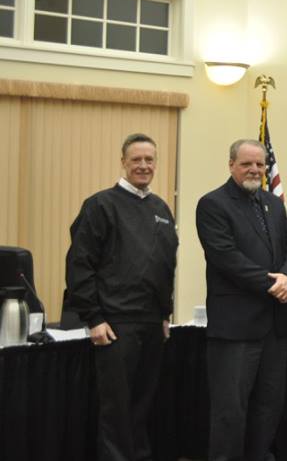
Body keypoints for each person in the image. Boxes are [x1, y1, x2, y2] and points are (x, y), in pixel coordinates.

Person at [65, 133, 178, 461]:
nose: (143, 166)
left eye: (149, 160)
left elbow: (164, 265)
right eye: (137, 160)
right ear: (123, 162)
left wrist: (164, 315)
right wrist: (94, 318)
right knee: (117, 408)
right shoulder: (100, 205)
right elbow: (80, 263)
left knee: (143, 403)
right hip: (114, 324)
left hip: (151, 323)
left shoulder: (161, 208)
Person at [196, 139, 287, 461]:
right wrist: (272, 284)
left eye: (259, 164)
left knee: (269, 407)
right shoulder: (212, 204)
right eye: (247, 164)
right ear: (231, 165)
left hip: (274, 326)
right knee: (231, 412)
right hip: (236, 329)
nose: (255, 169)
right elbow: (225, 256)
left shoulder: (274, 203)